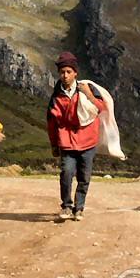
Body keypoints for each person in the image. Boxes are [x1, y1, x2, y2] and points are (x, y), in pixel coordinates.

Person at [47, 51, 106, 221]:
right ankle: (66, 206)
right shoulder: (56, 95)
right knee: (66, 173)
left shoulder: (88, 89)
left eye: (68, 72)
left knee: (84, 176)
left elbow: (102, 108)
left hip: (88, 140)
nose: (65, 76)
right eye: (62, 72)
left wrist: (88, 94)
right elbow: (51, 121)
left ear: (75, 73)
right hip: (66, 140)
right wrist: (54, 144)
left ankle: (79, 208)